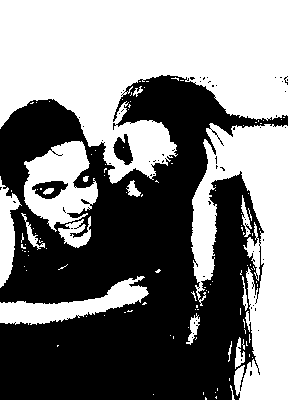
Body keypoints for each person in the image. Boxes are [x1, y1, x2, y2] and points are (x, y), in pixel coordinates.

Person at [0, 99, 150, 398]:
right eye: (50, 191)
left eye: (84, 181)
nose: (76, 205)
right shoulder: (6, 226)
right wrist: (106, 304)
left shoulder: (113, 188)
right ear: (11, 196)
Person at [98, 75, 263, 399]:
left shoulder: (162, 251)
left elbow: (191, 358)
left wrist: (212, 200)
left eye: (142, 184)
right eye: (121, 150)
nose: (117, 178)